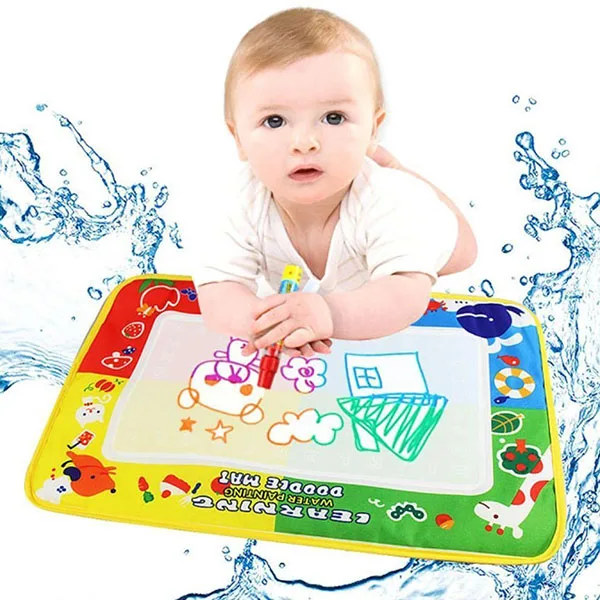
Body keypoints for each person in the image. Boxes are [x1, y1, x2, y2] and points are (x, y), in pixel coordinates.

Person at [194, 7, 477, 359]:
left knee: (460, 253)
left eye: (333, 117)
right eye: (275, 121)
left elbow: (405, 294)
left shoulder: (391, 203)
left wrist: (331, 315)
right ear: (238, 139)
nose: (304, 142)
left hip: (420, 221)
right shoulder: (236, 203)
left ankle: (397, 169)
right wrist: (271, 327)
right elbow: (219, 291)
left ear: (373, 129)